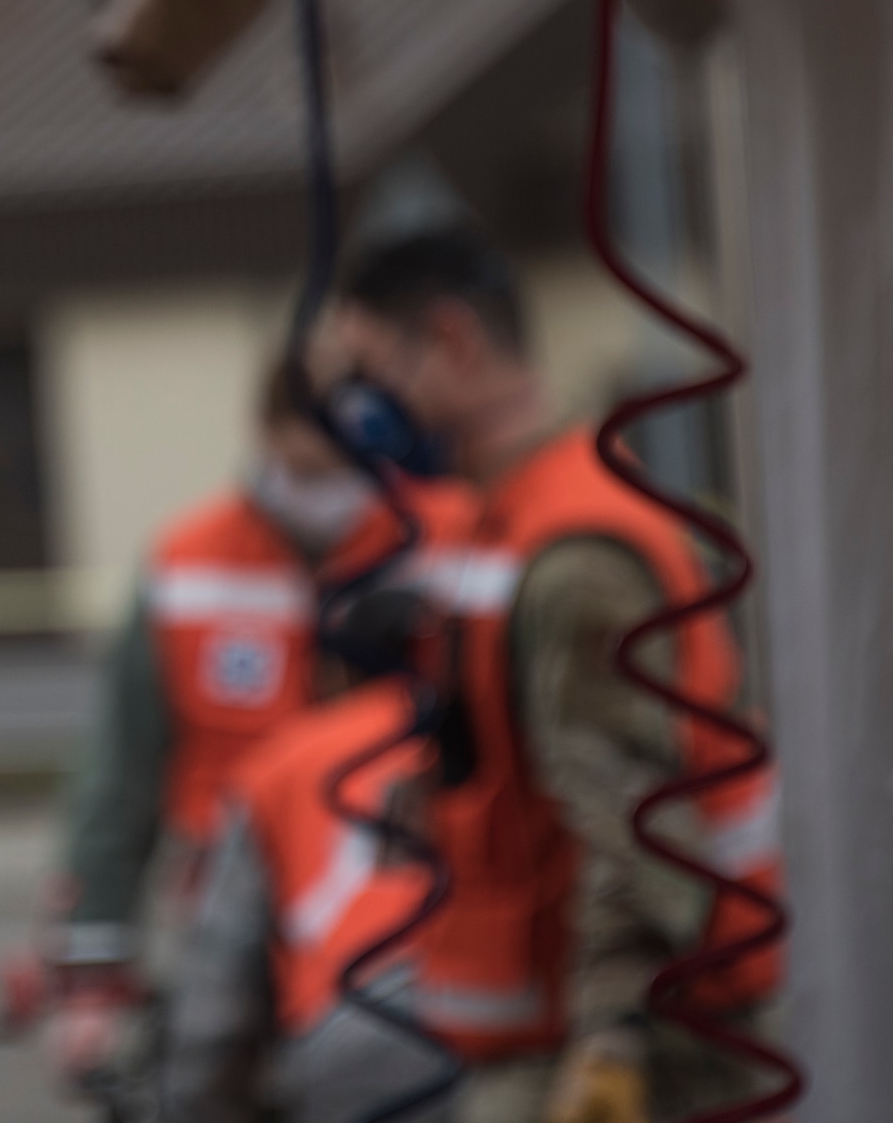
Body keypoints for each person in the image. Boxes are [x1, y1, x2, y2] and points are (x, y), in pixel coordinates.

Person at [330, 228, 781, 1123]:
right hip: (553, 1037)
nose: (358, 410)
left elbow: (632, 822)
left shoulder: (575, 549)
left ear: (452, 342)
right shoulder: (493, 522)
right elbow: (518, 765)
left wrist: (612, 1043)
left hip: (636, 1055)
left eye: (373, 371)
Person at [46, 369, 477, 1091]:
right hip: (225, 912)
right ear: (270, 431)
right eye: (313, 457)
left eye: (350, 461)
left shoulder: (450, 537)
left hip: (418, 909)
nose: (331, 482)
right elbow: (120, 775)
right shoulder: (190, 561)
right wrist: (94, 965)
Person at [159, 582, 455, 1123]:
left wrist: (202, 1104)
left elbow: (217, 993)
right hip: (486, 1021)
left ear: (332, 671)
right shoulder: (480, 743)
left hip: (347, 1035)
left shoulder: (281, 765)